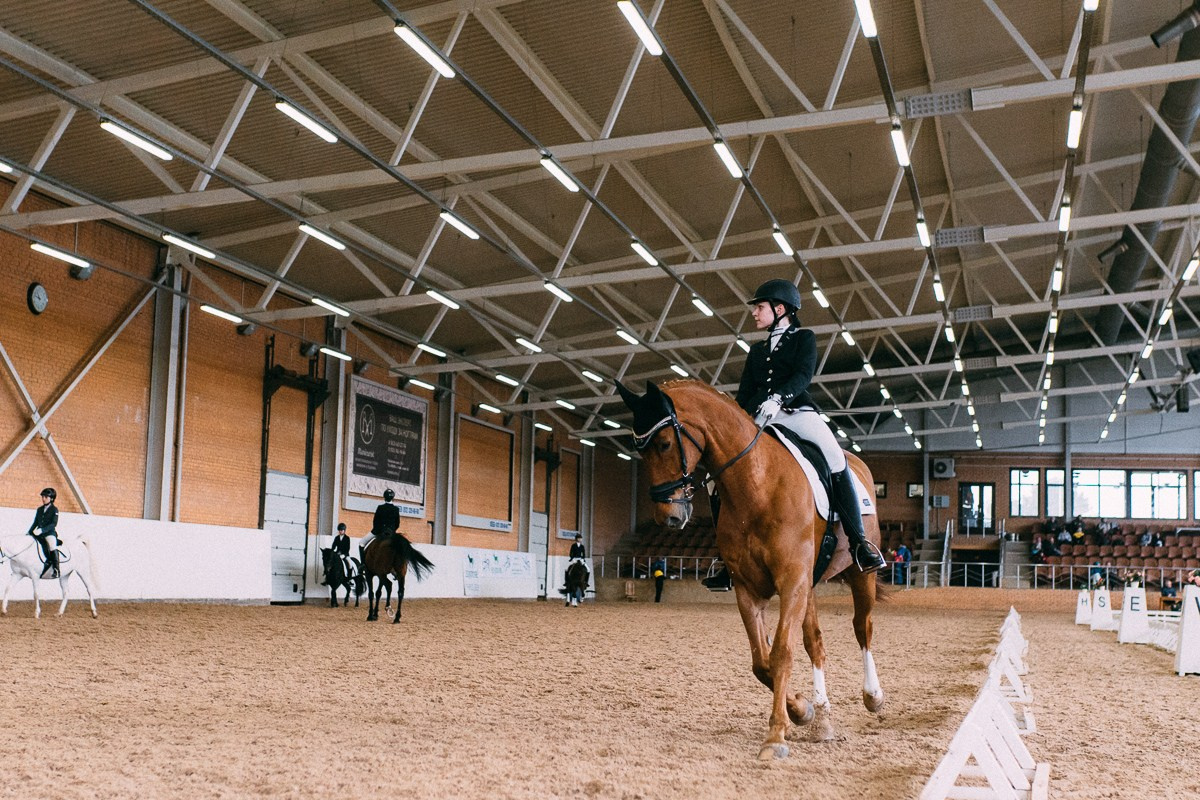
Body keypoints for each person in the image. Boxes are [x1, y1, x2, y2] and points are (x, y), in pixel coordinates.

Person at [735, 279, 886, 573]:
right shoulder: (756, 351)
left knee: (835, 459)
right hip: (760, 418)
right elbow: (745, 393)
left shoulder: (804, 338)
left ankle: (858, 542)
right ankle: (727, 553)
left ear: (780, 309)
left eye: (760, 307)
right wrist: (739, 416)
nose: (754, 312)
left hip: (796, 412)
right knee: (725, 469)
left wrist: (778, 398)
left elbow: (803, 375)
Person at [27, 487, 60, 578]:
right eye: (43, 497)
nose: (43, 499)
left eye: (46, 497)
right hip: (39, 533)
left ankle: (56, 569)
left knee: (52, 546)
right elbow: (35, 522)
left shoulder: (54, 510)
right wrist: (29, 532)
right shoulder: (40, 509)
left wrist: (42, 530)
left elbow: (53, 524)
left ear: (52, 498)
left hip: (49, 533)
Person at [359, 488, 399, 559]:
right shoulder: (396, 509)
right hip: (392, 533)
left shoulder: (380, 508)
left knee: (361, 543)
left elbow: (375, 521)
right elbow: (397, 524)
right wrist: (392, 531)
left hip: (379, 532)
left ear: (384, 497)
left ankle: (362, 564)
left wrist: (378, 531)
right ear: (393, 498)